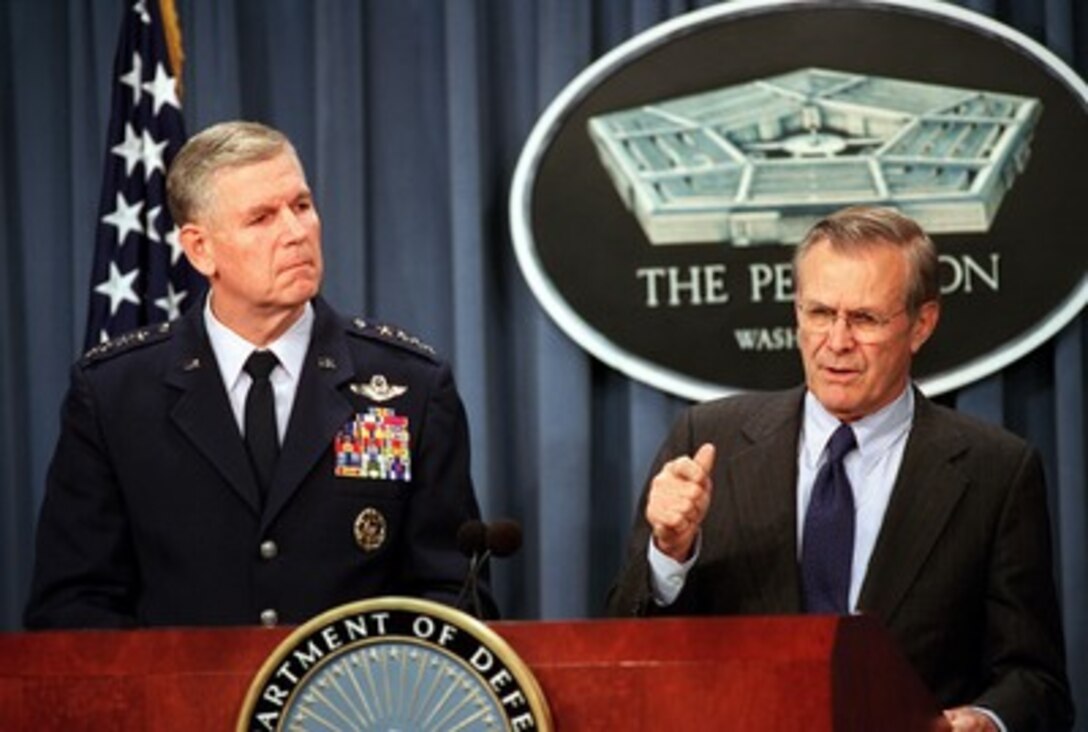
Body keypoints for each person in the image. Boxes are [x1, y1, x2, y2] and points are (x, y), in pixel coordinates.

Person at [607, 206, 1073, 731]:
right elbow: (626, 644)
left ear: (922, 324)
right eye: (820, 313)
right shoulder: (709, 441)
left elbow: (1037, 681)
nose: (837, 342)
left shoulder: (996, 472)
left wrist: (986, 720)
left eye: (865, 319)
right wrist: (669, 554)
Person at [25, 120, 494, 628]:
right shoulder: (114, 395)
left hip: (355, 704)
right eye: (262, 218)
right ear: (200, 248)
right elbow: (73, 608)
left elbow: (454, 595)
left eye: (301, 206)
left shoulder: (411, 388)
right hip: (180, 705)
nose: (296, 233)